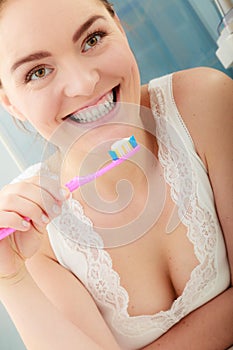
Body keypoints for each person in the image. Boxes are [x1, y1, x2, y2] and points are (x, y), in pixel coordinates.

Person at [0, 0, 232, 349]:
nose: (83, 83)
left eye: (92, 39)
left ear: (120, 29)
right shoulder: (28, 232)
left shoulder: (204, 102)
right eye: (38, 72)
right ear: (11, 103)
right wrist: (11, 278)